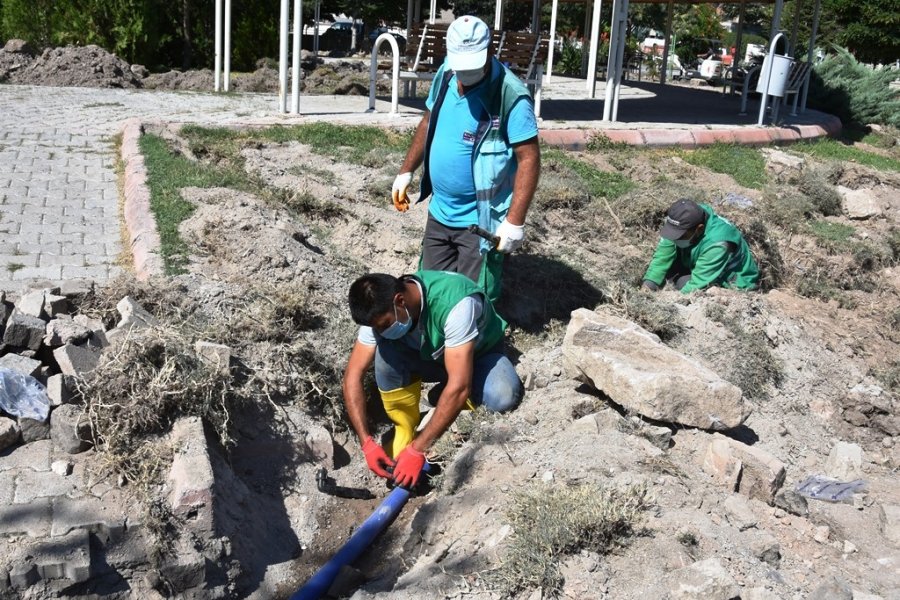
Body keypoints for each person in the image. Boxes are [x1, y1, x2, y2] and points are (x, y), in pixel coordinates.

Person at [390, 15, 541, 303]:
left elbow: (529, 158)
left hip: (480, 223)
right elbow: (428, 120)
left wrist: (515, 221)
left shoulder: (511, 96)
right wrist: (406, 171)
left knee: (474, 305)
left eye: (473, 65)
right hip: (440, 214)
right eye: (461, 65)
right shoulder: (446, 73)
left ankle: (482, 347)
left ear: (490, 50)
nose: (466, 74)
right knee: (431, 295)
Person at [342, 270, 523, 488]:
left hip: (479, 358)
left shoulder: (455, 303)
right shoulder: (380, 312)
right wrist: (367, 442)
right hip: (434, 360)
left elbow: (459, 386)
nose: (380, 330)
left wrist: (417, 451)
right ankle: (406, 428)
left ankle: (451, 406)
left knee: (502, 396)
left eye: (384, 324)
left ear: (400, 301)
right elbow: (352, 376)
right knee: (386, 355)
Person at [642, 198, 760, 293]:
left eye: (681, 236)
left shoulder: (718, 243)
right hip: (699, 262)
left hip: (733, 279)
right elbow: (662, 257)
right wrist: (647, 287)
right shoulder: (683, 220)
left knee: (682, 282)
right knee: (666, 274)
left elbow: (696, 284)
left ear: (699, 229)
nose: (675, 238)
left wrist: (669, 302)